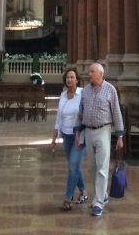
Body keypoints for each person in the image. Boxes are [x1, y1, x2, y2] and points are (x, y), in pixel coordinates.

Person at [75, 62, 124, 218]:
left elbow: (116, 112)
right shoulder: (85, 91)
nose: (89, 74)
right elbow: (80, 111)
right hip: (88, 131)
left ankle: (98, 203)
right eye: (89, 72)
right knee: (92, 167)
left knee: (102, 167)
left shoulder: (110, 90)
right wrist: (78, 131)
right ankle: (102, 195)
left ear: (101, 74)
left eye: (92, 72)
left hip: (103, 130)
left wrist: (120, 135)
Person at [51, 67, 87, 211]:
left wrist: (82, 117)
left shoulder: (83, 94)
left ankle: (68, 197)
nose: (69, 80)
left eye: (72, 77)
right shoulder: (63, 95)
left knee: (72, 166)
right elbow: (58, 118)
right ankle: (83, 192)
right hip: (66, 135)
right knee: (75, 166)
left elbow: (87, 114)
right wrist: (54, 137)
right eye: (67, 77)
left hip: (79, 135)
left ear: (77, 79)